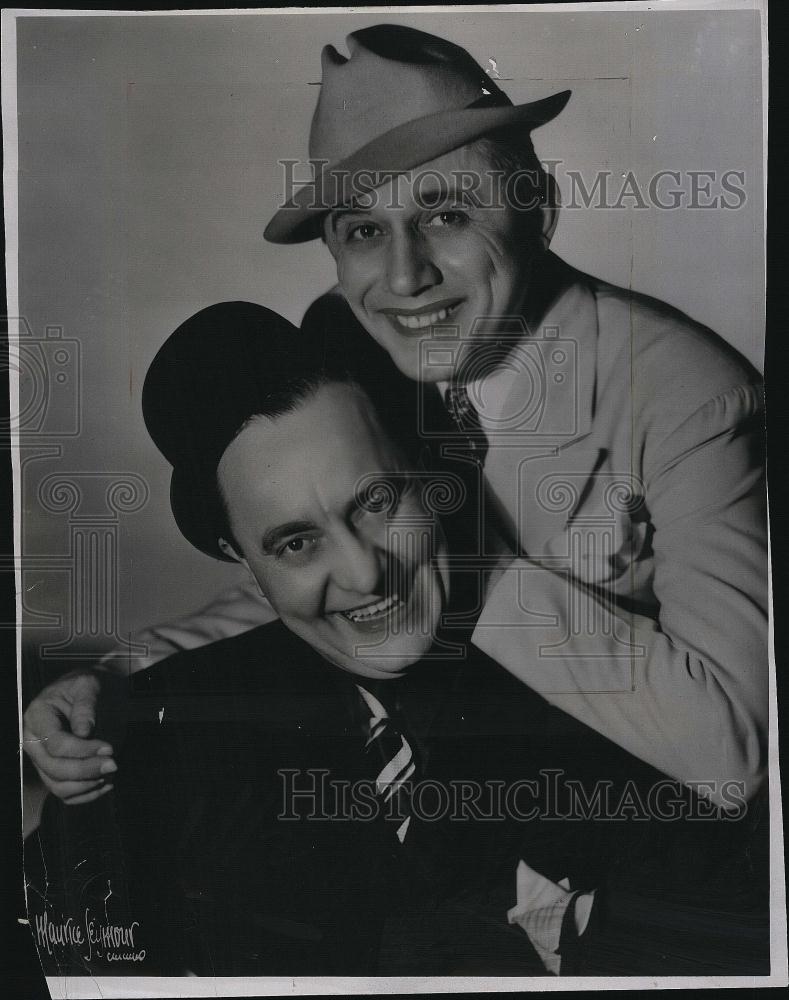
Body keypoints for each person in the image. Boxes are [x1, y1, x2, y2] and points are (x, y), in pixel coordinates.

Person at [24, 24, 767, 810]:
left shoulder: (692, 397)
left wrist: (458, 555)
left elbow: (734, 748)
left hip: (624, 828)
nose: (405, 277)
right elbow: (315, 561)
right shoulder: (347, 339)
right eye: (365, 232)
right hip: (432, 789)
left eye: (446, 216)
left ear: (538, 211)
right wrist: (119, 673)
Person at [25, 303, 768, 978]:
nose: (362, 572)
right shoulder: (141, 745)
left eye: (377, 502)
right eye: (294, 543)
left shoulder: (614, 714)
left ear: (428, 477)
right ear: (240, 561)